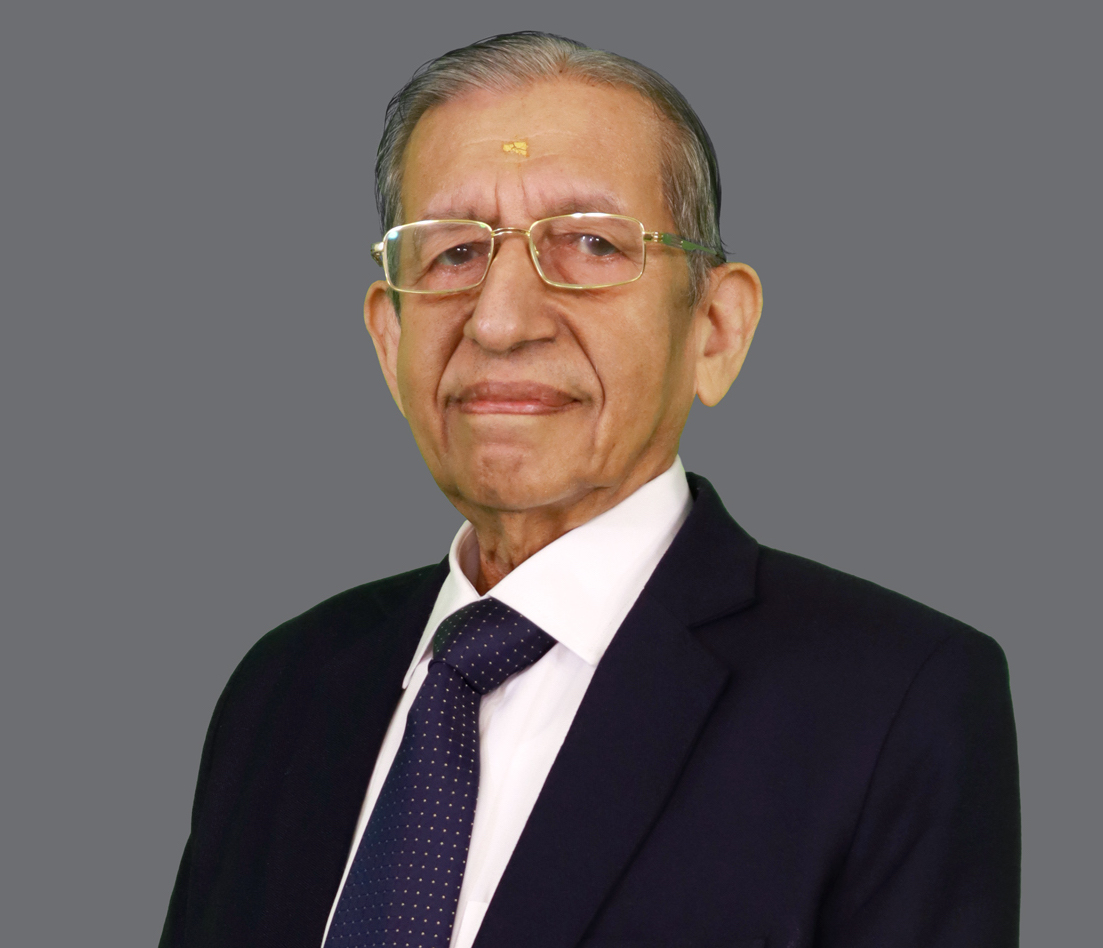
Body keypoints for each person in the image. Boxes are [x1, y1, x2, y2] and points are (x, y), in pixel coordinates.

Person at [159, 31, 1020, 948]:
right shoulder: (284, 688)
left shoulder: (892, 700)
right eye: (453, 253)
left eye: (589, 244)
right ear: (390, 339)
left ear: (715, 330)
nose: (499, 321)